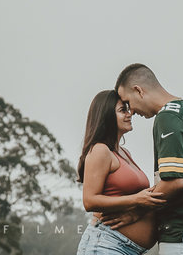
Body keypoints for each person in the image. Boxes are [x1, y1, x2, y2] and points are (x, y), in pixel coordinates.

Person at [111, 63, 183, 255]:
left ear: (139, 90)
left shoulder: (168, 116)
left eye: (128, 102)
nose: (131, 111)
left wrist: (135, 212)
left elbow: (175, 182)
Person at [76, 89, 166, 255]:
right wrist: (136, 199)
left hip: (127, 249)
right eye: (122, 110)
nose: (129, 113)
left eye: (128, 109)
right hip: (106, 244)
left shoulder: (124, 153)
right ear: (106, 116)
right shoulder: (100, 150)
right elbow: (89, 201)